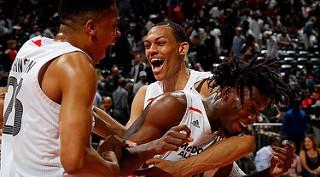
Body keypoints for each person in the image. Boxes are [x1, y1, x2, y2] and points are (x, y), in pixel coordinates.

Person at [100, 57, 294, 177]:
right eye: (251, 108)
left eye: (258, 113)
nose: (253, 117)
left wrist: (270, 173)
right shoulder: (176, 106)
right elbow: (113, 165)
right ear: (226, 93)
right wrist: (155, 147)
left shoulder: (227, 136)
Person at [0, 0, 122, 176]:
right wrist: (112, 168)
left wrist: (125, 135)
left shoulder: (33, 46)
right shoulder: (76, 64)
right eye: (114, 26)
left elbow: (62, 109)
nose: (117, 34)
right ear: (91, 28)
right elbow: (75, 162)